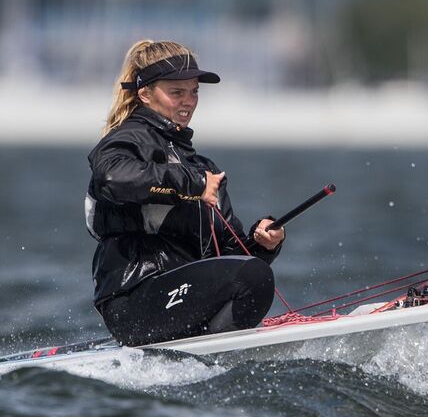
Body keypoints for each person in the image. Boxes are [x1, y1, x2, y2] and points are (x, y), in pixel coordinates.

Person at [85, 40, 285, 346]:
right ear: (145, 94)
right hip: (134, 299)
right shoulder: (128, 139)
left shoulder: (202, 167)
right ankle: (212, 351)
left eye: (194, 92)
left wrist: (264, 244)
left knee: (253, 272)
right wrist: (192, 184)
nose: (188, 101)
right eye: (177, 92)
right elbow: (112, 177)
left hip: (181, 295)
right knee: (252, 277)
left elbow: (230, 254)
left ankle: (207, 351)